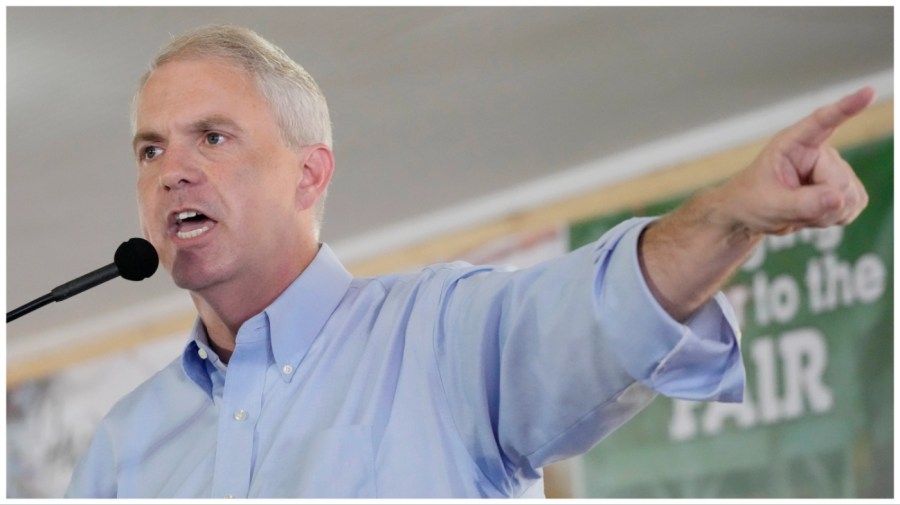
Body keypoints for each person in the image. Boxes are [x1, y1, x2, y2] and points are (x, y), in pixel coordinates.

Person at [65, 24, 873, 498]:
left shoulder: (443, 333)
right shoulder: (123, 446)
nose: (172, 170)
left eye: (213, 136)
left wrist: (730, 212)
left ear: (309, 173)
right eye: (150, 148)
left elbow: (606, 312)